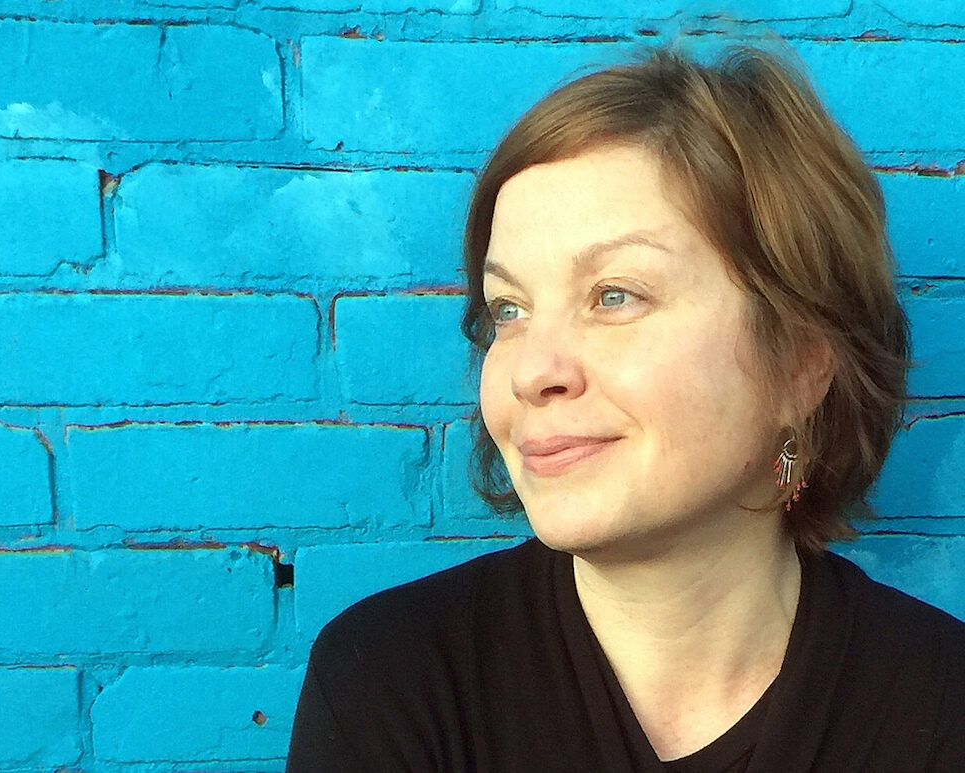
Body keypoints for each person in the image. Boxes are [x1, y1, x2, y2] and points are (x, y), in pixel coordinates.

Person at [286, 43, 965, 772]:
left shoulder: (938, 707)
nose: (531, 371)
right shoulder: (392, 682)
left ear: (800, 363)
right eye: (508, 308)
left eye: (614, 295)